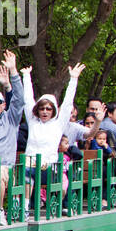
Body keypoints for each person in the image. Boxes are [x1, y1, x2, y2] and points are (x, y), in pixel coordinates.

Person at [20, 63, 84, 203]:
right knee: (25, 174)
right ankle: (24, 207)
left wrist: (73, 79)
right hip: (31, 166)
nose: (44, 111)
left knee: (60, 183)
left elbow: (67, 103)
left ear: (53, 110)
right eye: (42, 108)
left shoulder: (58, 124)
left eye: (48, 109)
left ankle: (54, 206)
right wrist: (26, 76)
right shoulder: (33, 122)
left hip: (49, 167)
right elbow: (28, 100)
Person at [0, 50, 25, 171]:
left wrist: (13, 71)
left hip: (5, 169)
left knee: (0, 174)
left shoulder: (11, 119)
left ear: (4, 105)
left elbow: (19, 100)